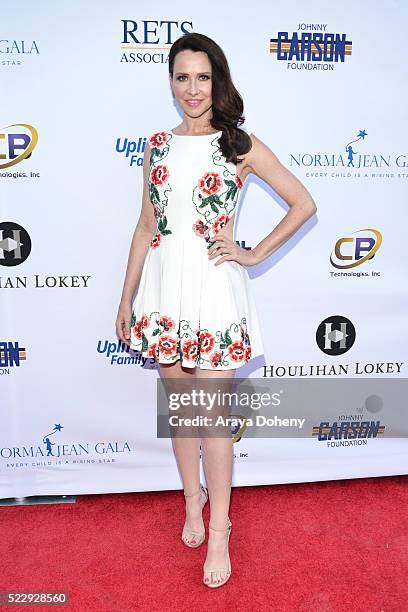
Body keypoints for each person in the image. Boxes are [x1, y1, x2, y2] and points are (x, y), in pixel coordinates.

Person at [116, 32, 317, 588]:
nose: (192, 88)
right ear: (171, 83)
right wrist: (126, 296)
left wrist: (252, 253)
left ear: (218, 81)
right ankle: (191, 500)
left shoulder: (237, 144)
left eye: (203, 77)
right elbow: (146, 225)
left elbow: (303, 203)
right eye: (182, 77)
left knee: (212, 422)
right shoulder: (157, 145)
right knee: (183, 414)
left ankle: (222, 527)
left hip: (214, 291)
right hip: (162, 295)